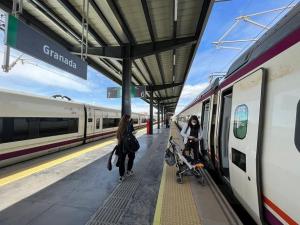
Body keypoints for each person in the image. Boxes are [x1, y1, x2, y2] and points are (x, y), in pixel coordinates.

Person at [116, 114, 135, 182]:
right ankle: (128, 171)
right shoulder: (129, 124)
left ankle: (121, 176)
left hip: (121, 145)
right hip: (129, 145)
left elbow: (118, 136)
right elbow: (132, 133)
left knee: (122, 160)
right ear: (128, 118)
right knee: (132, 157)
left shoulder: (120, 125)